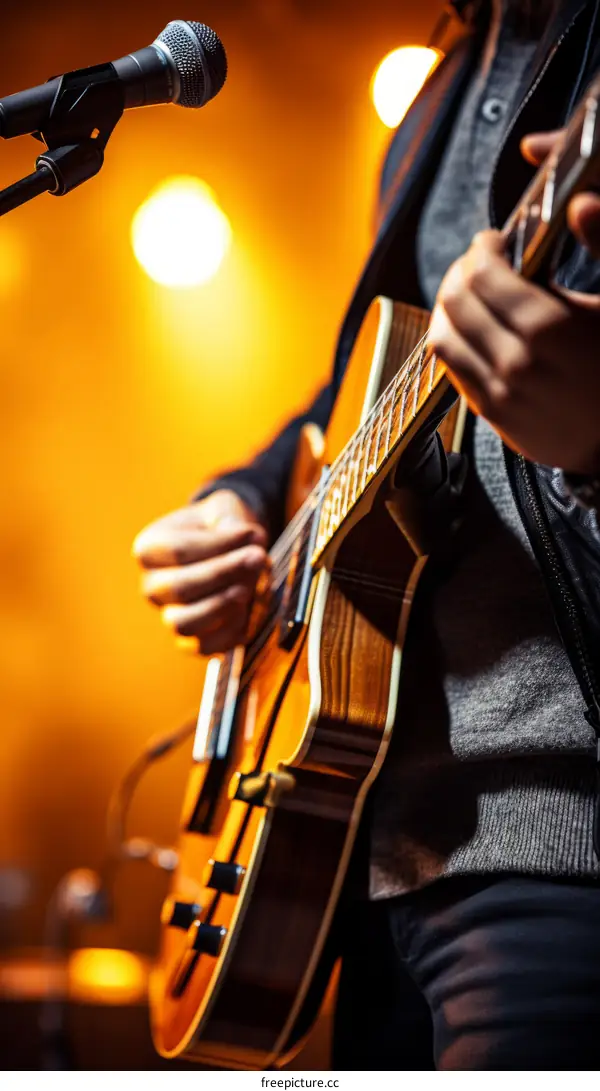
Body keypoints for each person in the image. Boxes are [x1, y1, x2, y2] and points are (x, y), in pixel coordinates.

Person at [133, 0, 600, 1070]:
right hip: (359, 850)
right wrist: (239, 503)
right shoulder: (444, 74)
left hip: (552, 835)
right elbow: (363, 392)